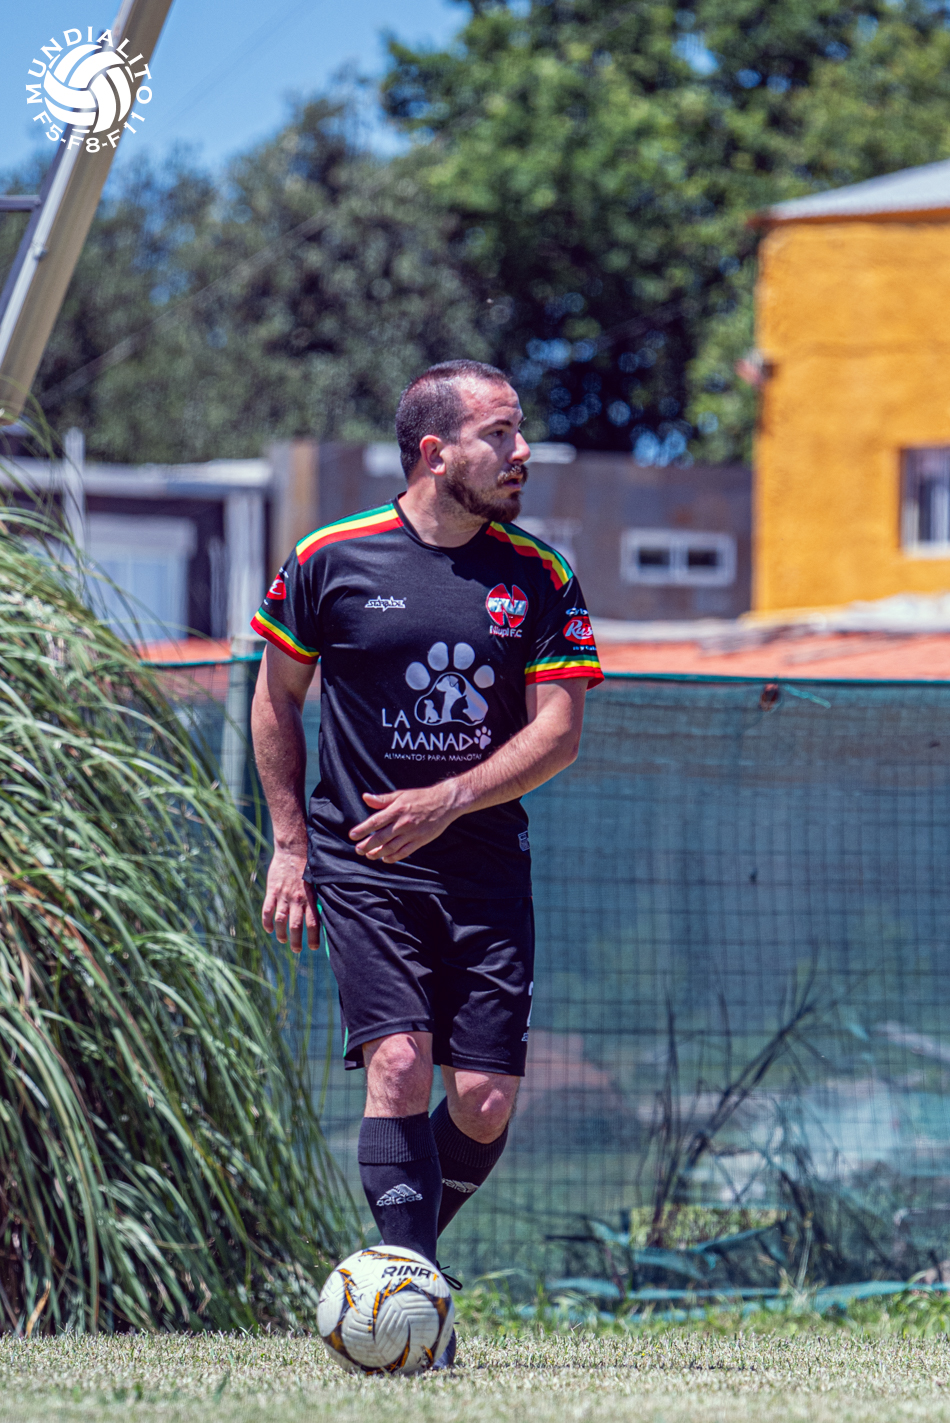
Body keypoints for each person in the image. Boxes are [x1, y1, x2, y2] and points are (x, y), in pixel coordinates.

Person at [250, 360, 602, 1352]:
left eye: (519, 431)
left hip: (484, 864)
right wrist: (289, 845)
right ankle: (413, 1316)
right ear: (436, 452)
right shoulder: (327, 559)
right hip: (362, 861)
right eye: (500, 434)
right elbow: (275, 699)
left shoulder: (539, 575)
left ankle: (401, 1269)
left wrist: (449, 799)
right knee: (398, 1062)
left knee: (482, 1103)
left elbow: (559, 732)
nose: (522, 451)